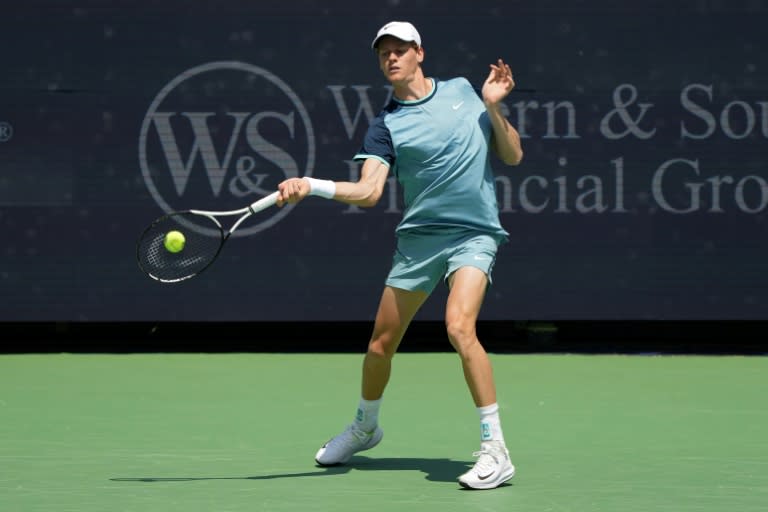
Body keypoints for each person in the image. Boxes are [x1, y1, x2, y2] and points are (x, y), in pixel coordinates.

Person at [276, 20, 523, 490]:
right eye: (383, 52)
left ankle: (496, 450)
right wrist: (311, 185)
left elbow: (512, 156)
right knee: (379, 346)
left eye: (400, 49)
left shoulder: (466, 92)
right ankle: (365, 427)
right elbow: (369, 192)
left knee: (459, 327)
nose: (391, 57)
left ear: (419, 53)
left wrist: (493, 107)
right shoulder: (386, 125)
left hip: (474, 235)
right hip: (419, 242)